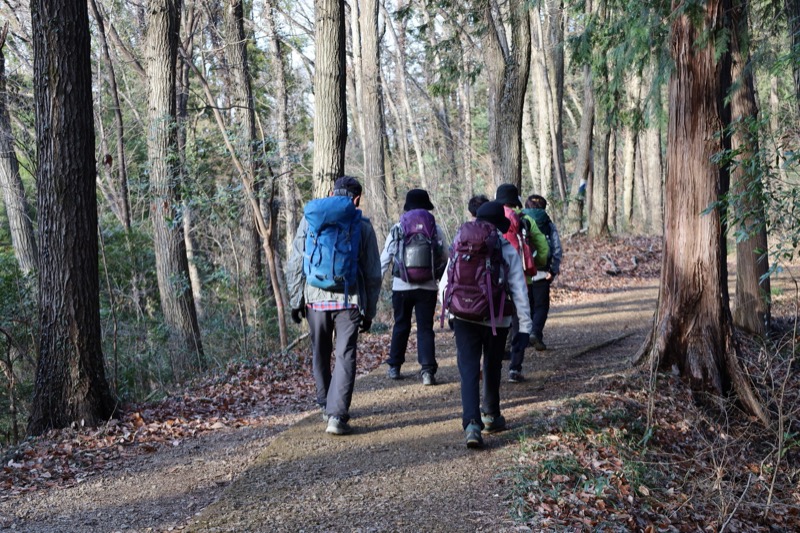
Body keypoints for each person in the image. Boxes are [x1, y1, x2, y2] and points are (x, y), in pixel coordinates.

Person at [286, 176, 382, 436]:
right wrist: (369, 311)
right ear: (357, 199)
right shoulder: (362, 225)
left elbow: (295, 262)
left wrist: (296, 300)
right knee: (344, 355)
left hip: (315, 299)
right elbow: (373, 273)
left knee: (320, 351)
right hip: (348, 300)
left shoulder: (310, 220)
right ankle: (337, 416)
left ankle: (324, 403)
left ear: (331, 193)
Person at [439, 201, 532, 449]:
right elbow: (519, 291)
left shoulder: (460, 243)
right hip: (496, 317)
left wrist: (450, 312)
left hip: (463, 317)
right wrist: (524, 328)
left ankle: (471, 424)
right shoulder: (505, 247)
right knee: (491, 364)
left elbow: (445, 283)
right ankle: (490, 415)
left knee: (468, 369)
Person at [380, 189, 448, 384]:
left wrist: (375, 283)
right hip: (427, 287)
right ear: (426, 206)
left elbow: (385, 257)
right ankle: (427, 371)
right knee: (425, 328)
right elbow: (446, 255)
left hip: (401, 286)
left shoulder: (398, 227)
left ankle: (394, 366)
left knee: (401, 325)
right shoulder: (434, 227)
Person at [494, 184, 548, 383]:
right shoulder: (524, 219)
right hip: (520, 278)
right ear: (515, 201)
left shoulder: (489, 217)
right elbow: (542, 246)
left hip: (493, 281)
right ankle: (515, 368)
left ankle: (492, 363)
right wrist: (540, 265)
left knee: (495, 320)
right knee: (519, 322)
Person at [522, 194, 563, 351]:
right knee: (541, 306)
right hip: (542, 272)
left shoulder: (520, 220)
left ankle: (525, 336)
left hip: (523, 272)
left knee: (526, 305)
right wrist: (553, 270)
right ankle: (536, 333)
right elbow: (557, 248)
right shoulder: (548, 223)